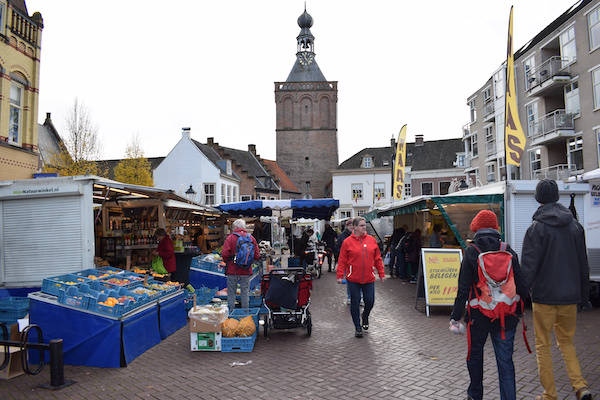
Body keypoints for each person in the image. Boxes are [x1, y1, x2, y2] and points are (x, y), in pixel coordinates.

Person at [520, 179, 592, 400]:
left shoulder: (536, 228)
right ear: (557, 196)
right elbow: (583, 263)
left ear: (538, 198)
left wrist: (520, 296)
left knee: (543, 345)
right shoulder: (575, 227)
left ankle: (549, 395)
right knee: (567, 342)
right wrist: (584, 295)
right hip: (570, 296)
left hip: (544, 297)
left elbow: (528, 267)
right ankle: (580, 386)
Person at [450, 210, 526, 400]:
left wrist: (455, 316)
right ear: (496, 228)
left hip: (479, 316)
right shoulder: (507, 250)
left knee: (475, 357)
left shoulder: (471, 252)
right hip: (506, 317)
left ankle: (475, 395)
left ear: (475, 227)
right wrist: (520, 309)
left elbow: (463, 289)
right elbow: (522, 285)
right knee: (505, 362)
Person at [337, 217, 385, 338]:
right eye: (362, 225)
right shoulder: (347, 242)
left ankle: (365, 316)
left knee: (370, 301)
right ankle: (357, 327)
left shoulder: (371, 240)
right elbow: (342, 260)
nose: (365, 227)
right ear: (355, 227)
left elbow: (377, 258)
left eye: (365, 225)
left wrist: (381, 273)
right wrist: (339, 275)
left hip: (369, 278)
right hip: (353, 279)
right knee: (355, 302)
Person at [222, 219, 260, 311]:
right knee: (245, 293)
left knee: (231, 293)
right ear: (244, 227)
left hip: (232, 270)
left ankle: (231, 314)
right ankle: (245, 314)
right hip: (246, 270)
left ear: (234, 227)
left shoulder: (230, 238)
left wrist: (229, 261)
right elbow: (257, 255)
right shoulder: (251, 238)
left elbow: (224, 254)